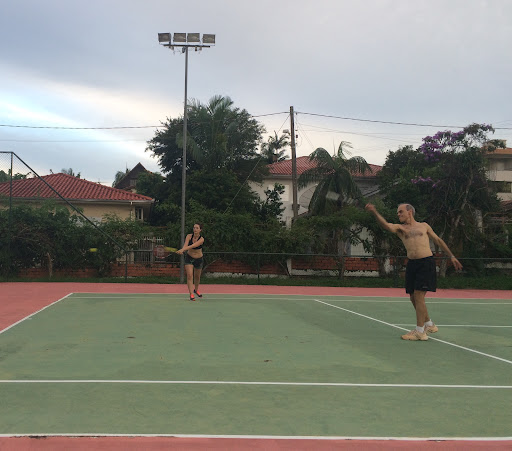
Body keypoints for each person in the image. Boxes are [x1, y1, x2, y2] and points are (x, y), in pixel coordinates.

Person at [365, 203, 463, 341]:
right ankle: (429, 324)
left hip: (426, 263)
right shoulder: (401, 229)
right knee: (413, 297)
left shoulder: (424, 226)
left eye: (401, 212)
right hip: (412, 264)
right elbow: (386, 225)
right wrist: (374, 212)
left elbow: (438, 240)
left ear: (409, 212)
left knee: (418, 295)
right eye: (398, 212)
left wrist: (451, 256)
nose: (398, 214)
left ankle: (420, 331)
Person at [176, 223, 205, 301]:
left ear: (200, 230)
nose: (195, 229)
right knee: (189, 275)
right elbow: (186, 245)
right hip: (189, 258)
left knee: (197, 277)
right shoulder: (189, 236)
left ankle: (196, 290)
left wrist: (183, 249)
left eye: (197, 228)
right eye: (194, 228)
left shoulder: (201, 239)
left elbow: (193, 246)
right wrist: (182, 250)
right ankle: (191, 294)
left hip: (199, 259)